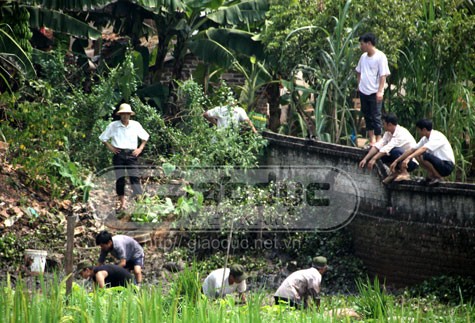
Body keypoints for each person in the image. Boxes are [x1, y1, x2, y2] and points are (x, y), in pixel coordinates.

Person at [99, 103, 150, 211]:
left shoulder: (135, 125)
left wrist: (140, 149)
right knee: (120, 179)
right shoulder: (113, 125)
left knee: (134, 177)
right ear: (120, 115)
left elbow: (145, 137)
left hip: (132, 154)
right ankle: (122, 203)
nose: (125, 116)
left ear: (130, 114)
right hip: (119, 154)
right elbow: (103, 138)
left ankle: (139, 202)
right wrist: (111, 148)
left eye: (127, 114)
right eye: (123, 114)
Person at [390, 119, 455, 186]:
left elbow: (423, 149)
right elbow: (412, 150)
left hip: (447, 165)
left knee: (422, 155)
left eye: (418, 130)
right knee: (416, 154)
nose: (418, 132)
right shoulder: (425, 139)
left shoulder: (436, 136)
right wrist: (397, 161)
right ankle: (432, 175)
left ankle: (437, 177)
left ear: (423, 130)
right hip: (439, 164)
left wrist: (408, 158)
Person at [359, 113, 419, 184]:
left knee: (394, 151)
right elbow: (379, 145)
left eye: (384, 124)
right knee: (380, 155)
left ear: (389, 125)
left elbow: (387, 148)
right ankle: (395, 172)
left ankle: (404, 173)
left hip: (410, 162)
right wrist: (366, 159)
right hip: (399, 159)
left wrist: (373, 159)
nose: (382, 126)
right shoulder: (388, 133)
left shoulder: (400, 133)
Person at [355, 32, 391, 146]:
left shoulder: (380, 56)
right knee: (367, 115)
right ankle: (371, 140)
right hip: (363, 90)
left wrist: (380, 91)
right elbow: (358, 71)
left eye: (362, 44)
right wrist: (359, 85)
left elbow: (383, 75)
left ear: (369, 43)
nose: (361, 47)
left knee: (376, 116)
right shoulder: (363, 57)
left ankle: (379, 139)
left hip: (374, 91)